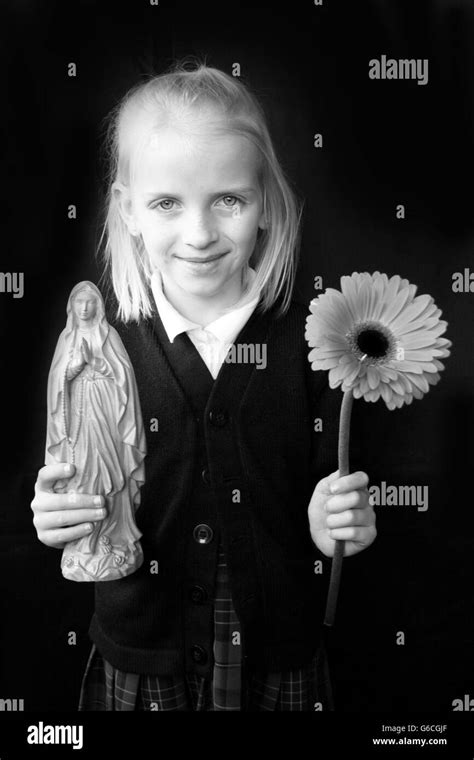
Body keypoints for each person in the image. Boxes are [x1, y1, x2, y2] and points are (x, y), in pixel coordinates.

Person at [31, 60, 377, 711]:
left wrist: (327, 526)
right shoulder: (102, 348)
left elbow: (330, 487)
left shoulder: (321, 341)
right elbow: (81, 474)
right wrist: (60, 514)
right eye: (167, 203)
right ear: (127, 212)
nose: (199, 234)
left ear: (266, 204)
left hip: (278, 661)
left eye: (229, 200)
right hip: (141, 660)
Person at [45, 281, 146, 581]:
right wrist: (74, 369)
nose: (85, 308)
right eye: (80, 302)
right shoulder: (67, 339)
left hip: (106, 418)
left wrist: (99, 367)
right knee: (82, 475)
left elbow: (124, 380)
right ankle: (83, 541)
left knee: (110, 476)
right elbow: (56, 387)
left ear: (98, 306)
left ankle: (113, 536)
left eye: (90, 302)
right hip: (78, 421)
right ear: (72, 307)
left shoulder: (109, 335)